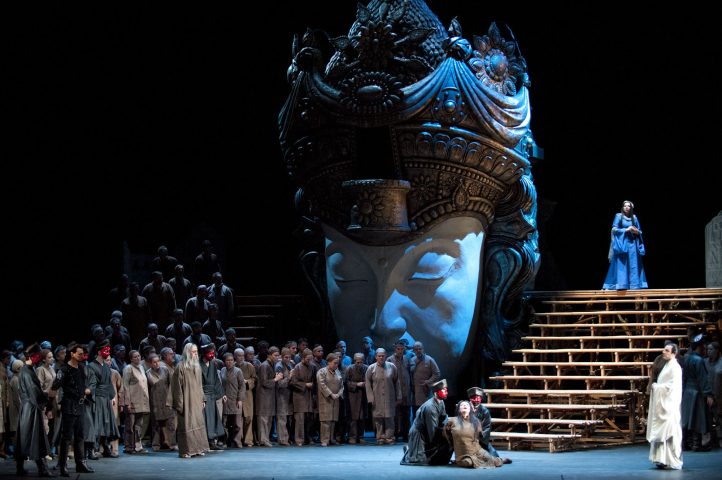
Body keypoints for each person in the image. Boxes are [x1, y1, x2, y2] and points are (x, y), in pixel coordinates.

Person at [51, 342, 94, 476]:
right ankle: (63, 465)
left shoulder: (81, 368)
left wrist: (87, 390)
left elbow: (84, 384)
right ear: (72, 354)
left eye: (82, 354)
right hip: (69, 406)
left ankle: (80, 463)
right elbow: (55, 386)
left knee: (80, 436)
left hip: (80, 405)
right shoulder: (64, 369)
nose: (82, 356)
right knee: (67, 437)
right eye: (79, 354)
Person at [14, 343, 54, 477]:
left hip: (28, 408)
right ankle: (42, 469)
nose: (40, 357)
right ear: (34, 356)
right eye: (39, 355)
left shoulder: (28, 370)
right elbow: (34, 392)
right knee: (37, 438)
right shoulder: (27, 372)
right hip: (31, 408)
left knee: (25, 439)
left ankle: (21, 467)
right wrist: (46, 395)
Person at [647, 343, 683, 470]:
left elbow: (672, 387)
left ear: (673, 353)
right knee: (662, 433)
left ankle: (670, 459)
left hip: (669, 405)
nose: (664, 352)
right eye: (664, 349)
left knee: (669, 433)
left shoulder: (675, 367)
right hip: (663, 404)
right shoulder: (667, 365)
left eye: (667, 350)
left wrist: (657, 387)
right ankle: (661, 459)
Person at [401, 379, 450, 466]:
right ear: (435, 393)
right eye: (443, 390)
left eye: (446, 389)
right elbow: (432, 431)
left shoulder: (441, 402)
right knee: (419, 460)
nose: (446, 392)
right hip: (419, 435)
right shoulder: (430, 408)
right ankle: (410, 450)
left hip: (427, 430)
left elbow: (443, 417)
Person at [171, 343, 208, 458]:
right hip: (186, 401)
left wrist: (203, 399)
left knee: (198, 424)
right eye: (193, 351)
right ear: (188, 352)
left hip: (196, 400)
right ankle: (185, 451)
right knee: (186, 425)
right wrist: (179, 404)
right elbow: (176, 388)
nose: (196, 353)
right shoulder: (180, 367)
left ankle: (198, 449)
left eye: (196, 351)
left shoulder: (197, 367)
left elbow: (200, 385)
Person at [603, 200, 648, 290]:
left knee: (633, 264)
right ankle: (621, 285)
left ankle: (634, 285)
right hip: (623, 244)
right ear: (622, 207)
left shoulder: (634, 218)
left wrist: (636, 231)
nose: (627, 207)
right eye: (625, 206)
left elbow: (640, 231)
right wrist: (626, 229)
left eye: (629, 206)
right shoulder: (618, 216)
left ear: (631, 208)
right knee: (622, 264)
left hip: (633, 245)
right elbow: (614, 229)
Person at [445, 400, 503, 468]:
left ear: (470, 409)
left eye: (466, 405)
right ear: (458, 409)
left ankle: (495, 459)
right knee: (468, 462)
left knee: (497, 462)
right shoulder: (452, 420)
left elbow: (480, 437)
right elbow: (446, 434)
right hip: (463, 453)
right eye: (462, 405)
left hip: (477, 451)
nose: (464, 406)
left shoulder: (476, 421)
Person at [467, 386, 511, 463]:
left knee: (491, 455)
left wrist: (478, 437)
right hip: (466, 438)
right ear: (470, 399)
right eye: (474, 399)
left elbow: (487, 427)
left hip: (479, 439)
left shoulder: (484, 411)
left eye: (478, 399)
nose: (476, 401)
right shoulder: (464, 408)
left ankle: (497, 459)